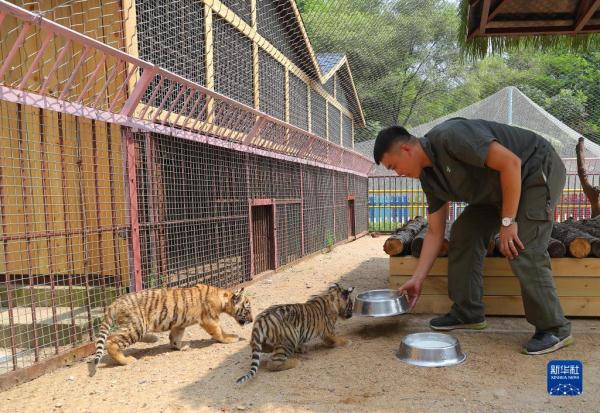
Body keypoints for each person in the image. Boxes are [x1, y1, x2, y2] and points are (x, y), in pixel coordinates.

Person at [373, 118, 573, 355]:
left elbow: (511, 163)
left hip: (534, 170)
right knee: (464, 231)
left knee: (522, 246)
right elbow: (436, 232)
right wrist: (418, 278)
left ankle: (554, 328)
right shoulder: (429, 179)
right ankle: (467, 312)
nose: (398, 174)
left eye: (393, 166)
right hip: (496, 192)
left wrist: (508, 222)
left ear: (406, 149)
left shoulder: (452, 136)